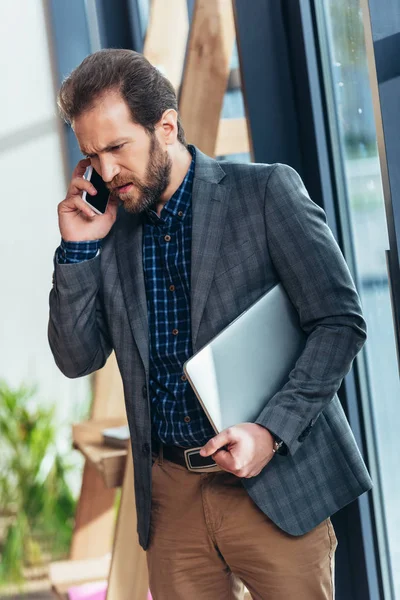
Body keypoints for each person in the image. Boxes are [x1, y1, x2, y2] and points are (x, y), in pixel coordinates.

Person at [48, 48, 372, 600]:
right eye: (92, 155)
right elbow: (77, 359)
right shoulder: (108, 233)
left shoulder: (265, 193)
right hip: (171, 496)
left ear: (166, 127)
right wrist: (77, 253)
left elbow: (339, 320)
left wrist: (270, 431)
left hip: (274, 484)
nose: (105, 172)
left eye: (117, 147)